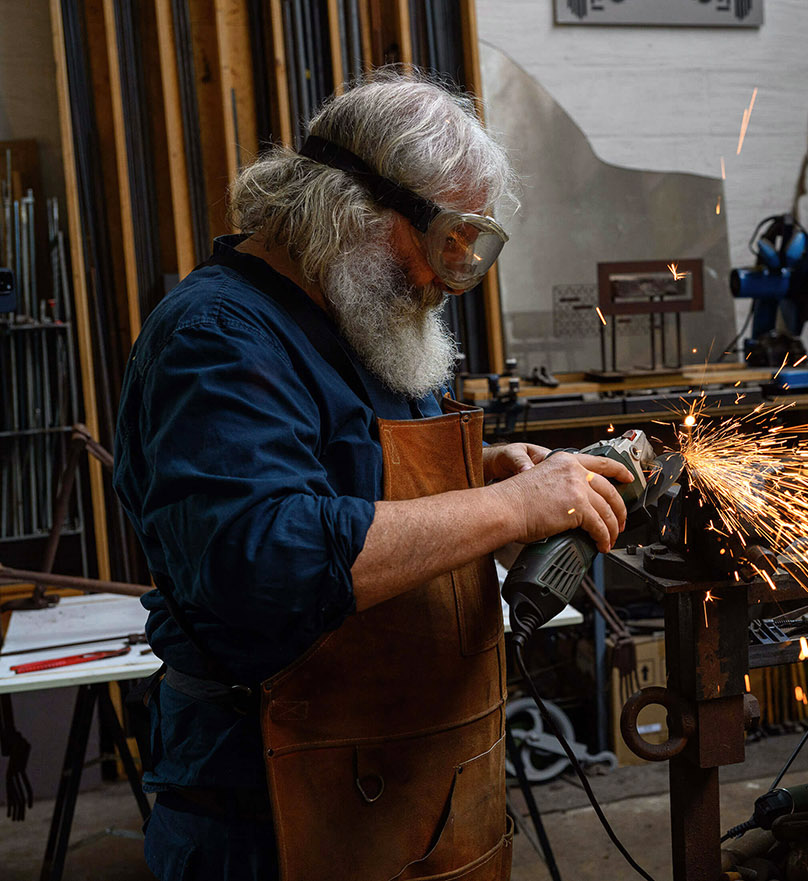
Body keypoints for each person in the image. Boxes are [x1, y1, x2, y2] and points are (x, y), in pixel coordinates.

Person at [113, 70, 630, 881]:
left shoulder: (363, 316)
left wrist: (485, 479)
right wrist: (504, 507)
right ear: (350, 206)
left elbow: (357, 484)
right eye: (441, 240)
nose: (442, 275)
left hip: (414, 778)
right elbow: (265, 558)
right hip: (273, 799)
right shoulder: (218, 337)